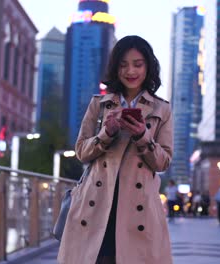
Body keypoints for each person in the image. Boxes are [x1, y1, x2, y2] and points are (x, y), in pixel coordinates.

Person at [57, 35, 174, 264]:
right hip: (96, 204)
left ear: (148, 67)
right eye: (123, 65)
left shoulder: (162, 109)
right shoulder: (98, 104)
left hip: (138, 210)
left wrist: (142, 135)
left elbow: (163, 162)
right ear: (115, 68)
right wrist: (106, 134)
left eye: (138, 64)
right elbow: (81, 151)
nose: (130, 71)